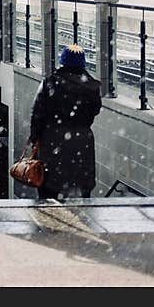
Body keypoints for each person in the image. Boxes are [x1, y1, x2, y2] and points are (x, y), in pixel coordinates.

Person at [29, 44, 102, 199]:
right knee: (80, 185)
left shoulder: (50, 83)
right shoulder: (92, 87)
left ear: (63, 62)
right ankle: (82, 217)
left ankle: (50, 217)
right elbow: (94, 111)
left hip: (53, 140)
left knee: (50, 188)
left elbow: (37, 114)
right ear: (82, 64)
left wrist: (34, 136)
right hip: (83, 142)